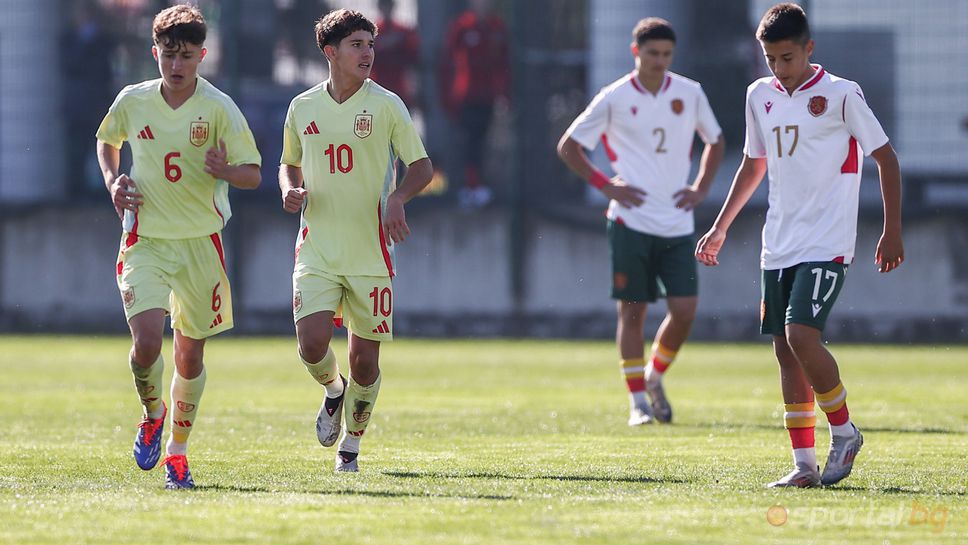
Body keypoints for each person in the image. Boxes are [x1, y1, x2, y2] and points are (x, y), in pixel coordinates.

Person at [695, 3, 903, 488]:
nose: (778, 68)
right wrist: (722, 224)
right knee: (785, 352)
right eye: (769, 58)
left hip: (827, 240)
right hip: (779, 242)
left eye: (787, 57)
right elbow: (753, 164)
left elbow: (886, 159)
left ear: (809, 48)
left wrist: (892, 230)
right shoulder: (758, 95)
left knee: (802, 338)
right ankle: (804, 465)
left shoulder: (841, 95)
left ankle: (845, 432)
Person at [95, 4, 262, 490]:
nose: (176, 65)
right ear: (155, 53)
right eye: (168, 55)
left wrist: (225, 170)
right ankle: (152, 413)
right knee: (146, 344)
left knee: (189, 357)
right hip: (145, 237)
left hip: (200, 245)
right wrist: (112, 182)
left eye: (186, 56)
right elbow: (108, 141)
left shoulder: (218, 108)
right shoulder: (134, 99)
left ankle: (178, 454)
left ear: (202, 56)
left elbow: (252, 174)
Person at [278, 9, 433, 473]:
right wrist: (289, 188)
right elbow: (288, 162)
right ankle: (332, 391)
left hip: (370, 254)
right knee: (311, 345)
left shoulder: (386, 105)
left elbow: (422, 167)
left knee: (366, 363)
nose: (367, 53)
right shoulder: (302, 107)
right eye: (356, 45)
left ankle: (352, 446)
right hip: (318, 247)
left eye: (370, 44)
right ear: (331, 52)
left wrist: (398, 198)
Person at [557, 18, 725, 427]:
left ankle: (654, 375)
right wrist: (606, 186)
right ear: (636, 52)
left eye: (667, 54)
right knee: (632, 312)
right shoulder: (614, 96)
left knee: (684, 310)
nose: (660, 62)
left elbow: (715, 141)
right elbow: (570, 146)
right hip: (630, 220)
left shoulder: (690, 92)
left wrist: (700, 188)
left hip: (677, 222)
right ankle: (638, 403)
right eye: (652, 54)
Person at [439, 0, 509, 208]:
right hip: (466, 95)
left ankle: (480, 186)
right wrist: (448, 96)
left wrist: (504, 94)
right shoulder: (461, 26)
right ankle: (468, 186)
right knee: (468, 141)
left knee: (483, 140)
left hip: (487, 96)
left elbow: (504, 62)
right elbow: (447, 61)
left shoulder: (497, 27)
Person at [370, 0, 420, 109]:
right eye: (384, 6)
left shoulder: (403, 31)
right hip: (378, 88)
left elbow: (413, 57)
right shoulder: (371, 32)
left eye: (389, 6)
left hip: (400, 87)